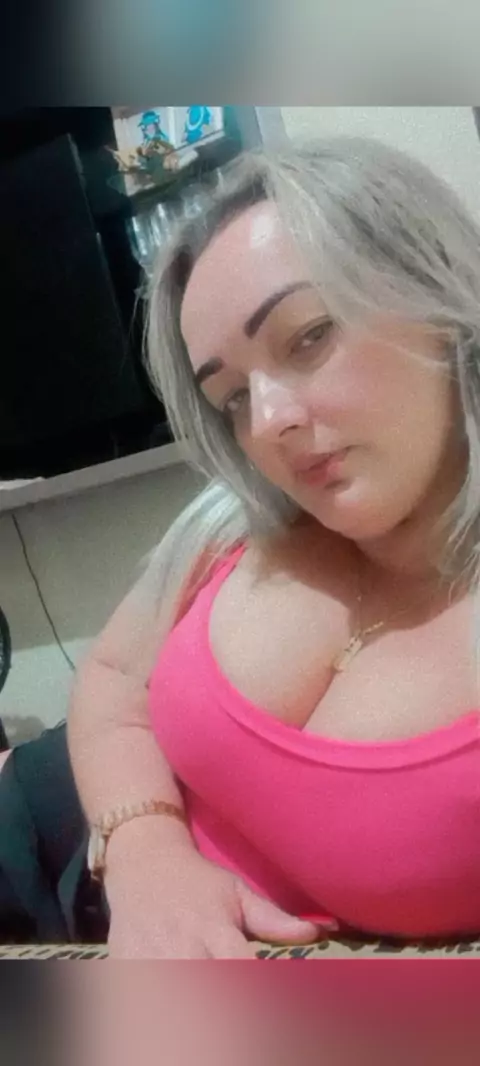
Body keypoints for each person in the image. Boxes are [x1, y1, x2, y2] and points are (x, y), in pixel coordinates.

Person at [68, 136, 480, 958]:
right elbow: (112, 680)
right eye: (229, 397)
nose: (268, 422)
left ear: (439, 300)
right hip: (53, 841)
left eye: (308, 336)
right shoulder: (231, 522)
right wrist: (146, 855)